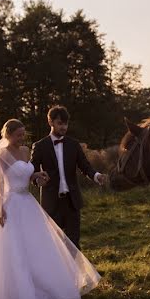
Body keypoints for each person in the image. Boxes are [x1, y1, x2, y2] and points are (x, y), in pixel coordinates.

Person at [0, 119, 100, 299]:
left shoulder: (26, 151)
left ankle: (44, 284)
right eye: (18, 134)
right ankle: (17, 293)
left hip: (28, 202)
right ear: (8, 134)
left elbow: (26, 174)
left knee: (38, 245)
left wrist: (37, 176)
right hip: (12, 204)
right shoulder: (1, 154)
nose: (22, 138)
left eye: (23, 134)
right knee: (15, 248)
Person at [30, 106, 107, 249]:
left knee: (74, 244)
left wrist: (97, 176)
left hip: (72, 203)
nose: (64, 127)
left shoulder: (74, 145)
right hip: (51, 203)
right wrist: (37, 180)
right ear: (50, 122)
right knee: (53, 245)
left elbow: (85, 166)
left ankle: (74, 272)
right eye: (60, 123)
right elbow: (32, 171)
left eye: (66, 124)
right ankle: (55, 271)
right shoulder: (40, 146)